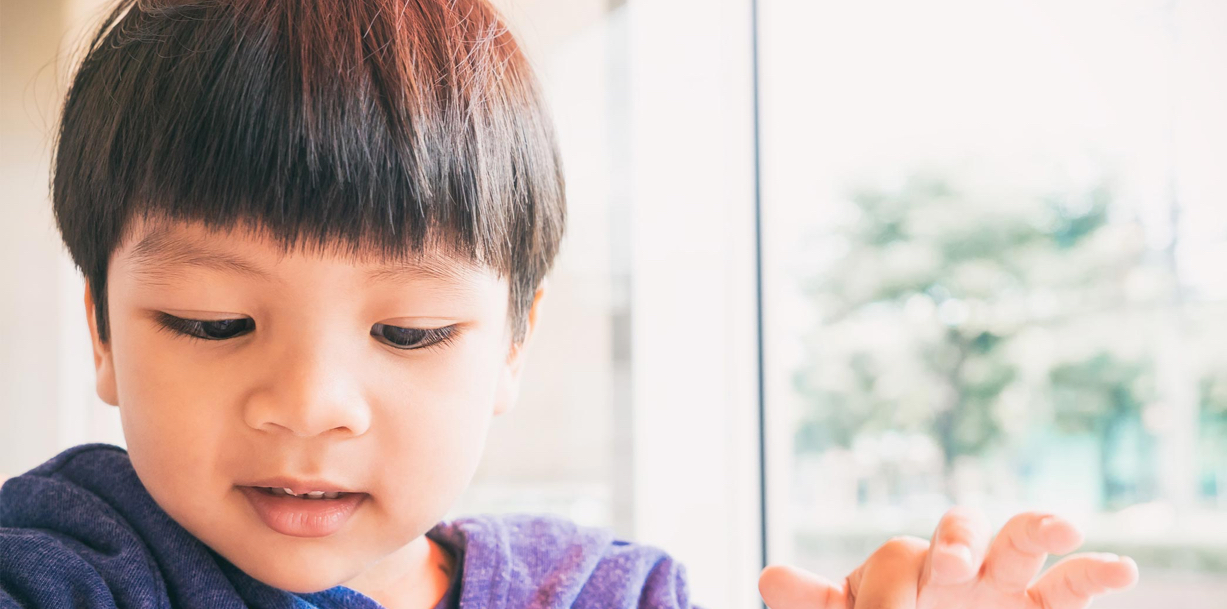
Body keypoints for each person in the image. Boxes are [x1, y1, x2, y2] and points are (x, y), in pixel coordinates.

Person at [0, 0, 1140, 607]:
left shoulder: (603, 594)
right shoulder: (65, 566)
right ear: (102, 330)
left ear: (512, 345)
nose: (308, 404)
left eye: (409, 330)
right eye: (211, 320)